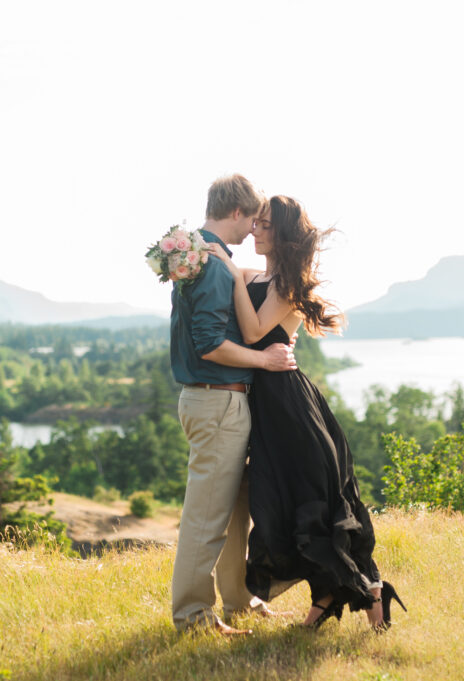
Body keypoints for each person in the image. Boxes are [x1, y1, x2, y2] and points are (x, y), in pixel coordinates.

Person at [208, 195, 405, 630]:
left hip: (286, 405)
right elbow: (223, 271)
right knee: (289, 503)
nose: (255, 231)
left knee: (309, 502)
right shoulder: (259, 274)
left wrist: (231, 275)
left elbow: (256, 329)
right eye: (254, 223)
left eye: (263, 225)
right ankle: (365, 593)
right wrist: (196, 252)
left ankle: (354, 591)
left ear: (283, 234)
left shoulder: (288, 285)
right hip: (267, 404)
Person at [169, 175, 298, 636]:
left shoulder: (194, 254)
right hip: (218, 401)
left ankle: (239, 597)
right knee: (207, 519)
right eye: (253, 221)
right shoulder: (212, 264)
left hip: (222, 403)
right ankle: (192, 617)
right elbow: (208, 344)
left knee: (236, 510)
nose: (252, 233)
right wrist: (263, 359)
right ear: (239, 213)